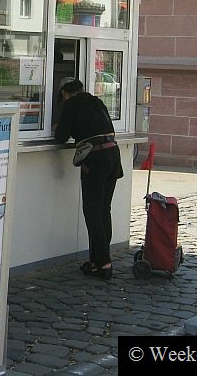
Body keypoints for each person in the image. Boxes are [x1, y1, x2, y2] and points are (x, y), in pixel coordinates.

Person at [54, 77, 123, 281]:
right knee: (103, 210)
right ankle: (98, 260)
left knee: (92, 212)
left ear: (64, 94)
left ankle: (103, 264)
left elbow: (60, 137)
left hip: (96, 159)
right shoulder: (96, 101)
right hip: (113, 155)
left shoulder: (70, 105)